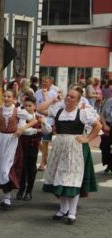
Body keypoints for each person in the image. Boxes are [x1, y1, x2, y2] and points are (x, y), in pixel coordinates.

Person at [37, 86, 101, 224]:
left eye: (72, 97)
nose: (68, 98)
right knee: (60, 179)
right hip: (59, 148)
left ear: (77, 101)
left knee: (72, 180)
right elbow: (40, 109)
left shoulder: (82, 113)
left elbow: (98, 126)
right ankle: (63, 209)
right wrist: (53, 99)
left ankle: (72, 212)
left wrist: (87, 139)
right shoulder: (58, 111)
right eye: (68, 96)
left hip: (74, 149)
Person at [0, 89, 36, 207]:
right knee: (0, 167)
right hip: (1, 139)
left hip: (12, 140)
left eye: (9, 96)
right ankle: (6, 197)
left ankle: (8, 196)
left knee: (6, 168)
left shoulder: (17, 110)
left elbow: (34, 120)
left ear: (13, 98)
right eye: (4, 96)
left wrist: (21, 129)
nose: (6, 98)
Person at [17, 96, 52, 201]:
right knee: (22, 168)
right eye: (26, 105)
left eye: (30, 106)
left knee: (31, 168)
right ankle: (21, 189)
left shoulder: (38, 117)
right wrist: (37, 130)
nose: (27, 108)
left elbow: (48, 130)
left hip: (34, 147)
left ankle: (29, 191)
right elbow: (24, 131)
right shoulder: (22, 117)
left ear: (34, 106)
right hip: (23, 146)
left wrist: (44, 123)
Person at [35, 76, 58, 171]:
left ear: (51, 83)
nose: (44, 83)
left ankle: (42, 163)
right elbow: (36, 105)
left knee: (45, 143)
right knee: (37, 141)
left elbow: (55, 108)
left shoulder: (54, 94)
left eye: (46, 82)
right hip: (37, 119)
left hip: (49, 121)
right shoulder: (37, 92)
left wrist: (55, 124)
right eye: (43, 81)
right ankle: (45, 156)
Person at [100, 97, 112, 174]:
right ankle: (109, 163)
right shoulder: (109, 100)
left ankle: (110, 165)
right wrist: (104, 125)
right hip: (108, 125)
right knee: (104, 146)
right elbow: (102, 115)